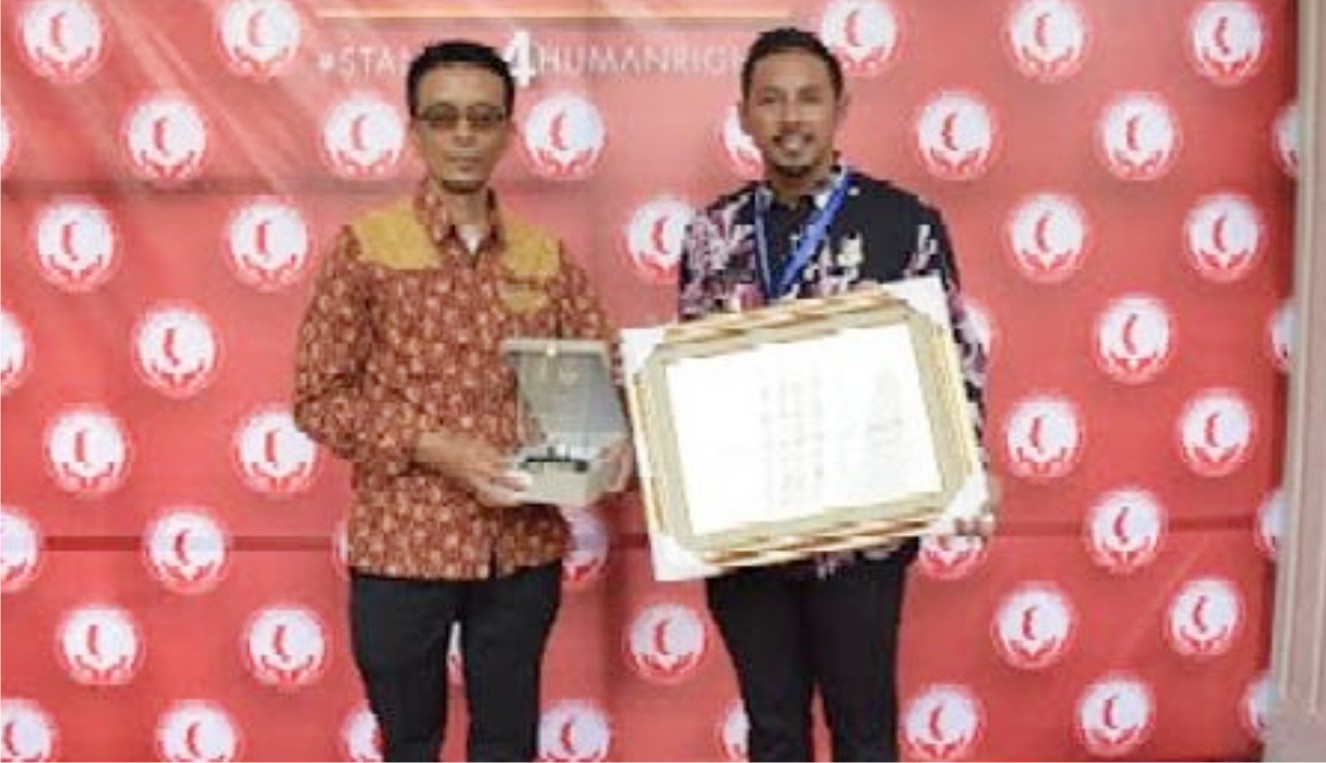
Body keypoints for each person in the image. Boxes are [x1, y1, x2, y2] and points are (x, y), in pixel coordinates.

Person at [291, 39, 628, 762]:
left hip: (521, 548)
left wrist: (619, 438)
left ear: (509, 131)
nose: (465, 135)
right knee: (409, 744)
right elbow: (319, 396)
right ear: (414, 131)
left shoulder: (545, 257)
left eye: (483, 117)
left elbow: (605, 379)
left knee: (508, 743)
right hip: (401, 545)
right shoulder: (366, 247)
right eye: (443, 118)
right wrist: (432, 445)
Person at [676, 27, 990, 762]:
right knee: (773, 731)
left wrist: (966, 471)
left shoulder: (902, 222)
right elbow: (688, 372)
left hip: (862, 535)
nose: (791, 118)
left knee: (864, 731)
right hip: (746, 535)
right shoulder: (711, 232)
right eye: (771, 100)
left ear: (840, 109)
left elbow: (953, 359)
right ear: (744, 114)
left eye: (809, 98)